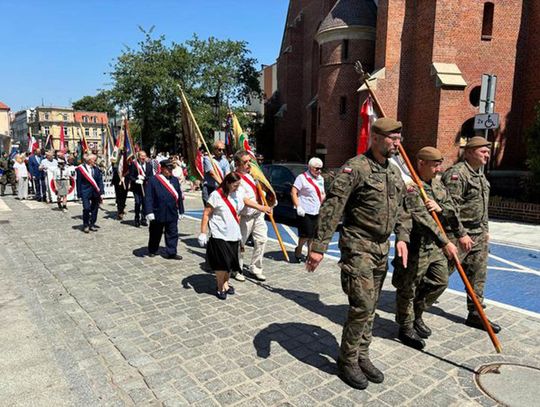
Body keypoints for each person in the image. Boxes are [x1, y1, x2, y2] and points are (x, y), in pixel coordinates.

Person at [306, 117, 411, 390]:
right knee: (362, 304)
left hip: (381, 248)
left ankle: (362, 354)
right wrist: (318, 247)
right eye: (391, 137)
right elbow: (333, 207)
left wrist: (402, 236)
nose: (397, 142)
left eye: (399, 138)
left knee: (372, 306)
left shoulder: (393, 172)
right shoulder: (356, 168)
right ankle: (347, 359)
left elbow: (403, 208)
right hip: (358, 245)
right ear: (375, 137)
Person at [391, 147, 462, 350]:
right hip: (417, 247)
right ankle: (405, 327)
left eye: (440, 164)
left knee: (440, 282)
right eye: (435, 165)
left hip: (434, 247)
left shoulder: (438, 186)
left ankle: (417, 313)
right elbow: (421, 219)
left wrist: (441, 209)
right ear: (421, 163)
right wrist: (446, 242)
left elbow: (452, 211)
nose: (439, 169)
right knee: (408, 288)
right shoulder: (413, 188)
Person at [442, 136, 501, 333]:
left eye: (487, 151)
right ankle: (413, 310)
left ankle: (476, 314)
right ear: (468, 152)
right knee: (440, 276)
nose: (487, 154)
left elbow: (483, 209)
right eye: (482, 151)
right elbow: (450, 208)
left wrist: (485, 231)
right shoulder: (457, 174)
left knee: (478, 276)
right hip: (459, 235)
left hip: (478, 235)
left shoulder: (480, 176)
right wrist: (461, 234)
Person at [198, 172, 271, 300]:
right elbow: (206, 213)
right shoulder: (216, 195)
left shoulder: (238, 192)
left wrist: (261, 207)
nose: (237, 188)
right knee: (222, 264)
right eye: (235, 186)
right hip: (219, 234)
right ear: (227, 183)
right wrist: (203, 233)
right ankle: (220, 286)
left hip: (234, 233)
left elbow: (246, 201)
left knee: (230, 264)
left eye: (238, 185)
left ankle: (226, 283)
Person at [234, 150, 270, 282]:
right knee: (241, 243)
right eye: (245, 162)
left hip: (258, 215)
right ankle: (236, 268)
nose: (249, 164)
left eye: (250, 161)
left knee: (262, 239)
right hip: (245, 216)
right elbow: (244, 200)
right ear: (237, 163)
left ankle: (255, 267)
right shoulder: (235, 178)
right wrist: (262, 207)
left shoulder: (251, 176)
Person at [144, 159, 185, 259]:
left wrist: (181, 210)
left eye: (171, 169)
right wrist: (149, 212)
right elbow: (148, 197)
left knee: (172, 232)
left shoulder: (174, 180)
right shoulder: (153, 180)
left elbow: (178, 195)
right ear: (162, 169)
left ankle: (171, 252)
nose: (170, 171)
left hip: (172, 211)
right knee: (155, 232)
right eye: (168, 169)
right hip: (158, 211)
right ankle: (153, 249)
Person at [291, 157, 326, 262]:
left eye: (321, 168)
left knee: (313, 235)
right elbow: (293, 192)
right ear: (310, 167)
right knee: (306, 234)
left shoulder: (321, 179)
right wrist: (298, 206)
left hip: (316, 209)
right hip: (304, 210)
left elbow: (321, 192)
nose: (319, 171)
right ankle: (298, 250)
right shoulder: (302, 178)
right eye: (316, 168)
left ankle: (309, 254)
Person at [76, 154, 104, 233]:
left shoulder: (97, 169)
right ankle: (86, 225)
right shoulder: (80, 169)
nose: (95, 161)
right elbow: (78, 182)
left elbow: (100, 181)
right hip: (85, 192)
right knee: (86, 208)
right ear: (89, 160)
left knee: (95, 209)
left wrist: (101, 192)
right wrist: (79, 194)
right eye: (94, 160)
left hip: (95, 192)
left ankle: (92, 224)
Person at [128, 150, 153, 227]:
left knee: (145, 204)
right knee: (138, 203)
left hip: (146, 187)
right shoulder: (134, 165)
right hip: (137, 188)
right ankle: (136, 218)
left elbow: (151, 177)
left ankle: (143, 219)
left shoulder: (149, 165)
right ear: (138, 157)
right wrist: (136, 180)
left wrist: (144, 178)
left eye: (144, 156)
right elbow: (130, 176)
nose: (143, 157)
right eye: (141, 156)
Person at [202, 141, 231, 205]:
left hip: (220, 189)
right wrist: (222, 185)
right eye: (219, 149)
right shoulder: (208, 159)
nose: (222, 151)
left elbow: (227, 174)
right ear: (214, 149)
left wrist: (226, 185)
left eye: (223, 150)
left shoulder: (225, 161)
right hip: (209, 188)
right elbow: (212, 173)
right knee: (209, 210)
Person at [111, 151, 129, 220]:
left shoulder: (127, 159)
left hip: (125, 179)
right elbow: (114, 167)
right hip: (117, 180)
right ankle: (120, 211)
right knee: (118, 196)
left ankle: (122, 207)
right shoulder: (115, 159)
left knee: (124, 196)